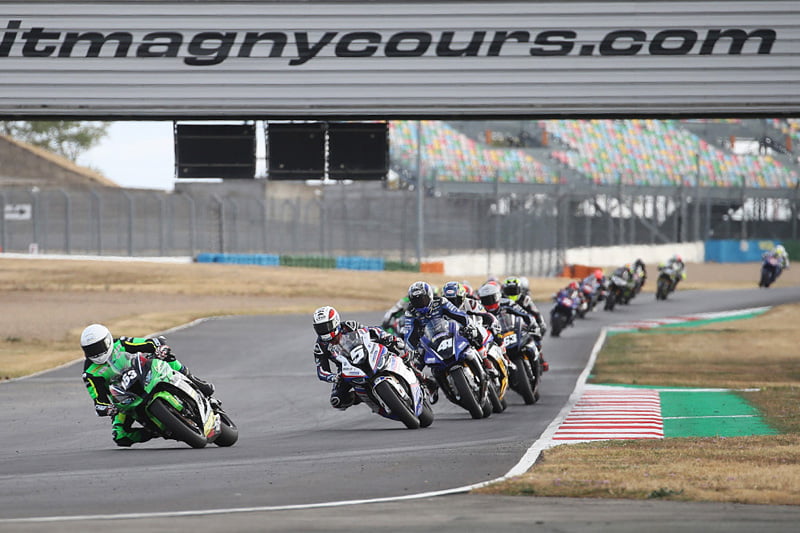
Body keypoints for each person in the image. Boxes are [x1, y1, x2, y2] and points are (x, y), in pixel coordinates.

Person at [81, 323, 215, 447]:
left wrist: (159, 348)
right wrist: (107, 408)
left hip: (144, 373)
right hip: (125, 399)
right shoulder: (90, 373)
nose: (95, 352)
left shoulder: (120, 343)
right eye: (90, 349)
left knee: (167, 357)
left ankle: (196, 381)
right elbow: (99, 400)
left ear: (108, 340)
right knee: (120, 437)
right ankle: (155, 431)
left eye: (98, 347)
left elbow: (149, 343)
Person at [313, 306, 419, 409]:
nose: (324, 330)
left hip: (366, 353)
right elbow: (321, 370)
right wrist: (332, 377)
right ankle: (364, 397)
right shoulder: (320, 346)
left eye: (326, 326)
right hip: (346, 369)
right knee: (337, 400)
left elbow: (371, 330)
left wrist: (386, 337)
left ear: (335, 321)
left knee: (395, 345)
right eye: (320, 327)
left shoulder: (349, 326)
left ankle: (412, 367)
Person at [478, 282, 548, 371]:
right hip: (498, 338)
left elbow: (524, 314)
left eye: (492, 298)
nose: (490, 302)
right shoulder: (481, 310)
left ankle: (539, 357)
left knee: (533, 337)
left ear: (498, 296)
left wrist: (533, 325)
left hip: (512, 330)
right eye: (486, 300)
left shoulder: (507, 303)